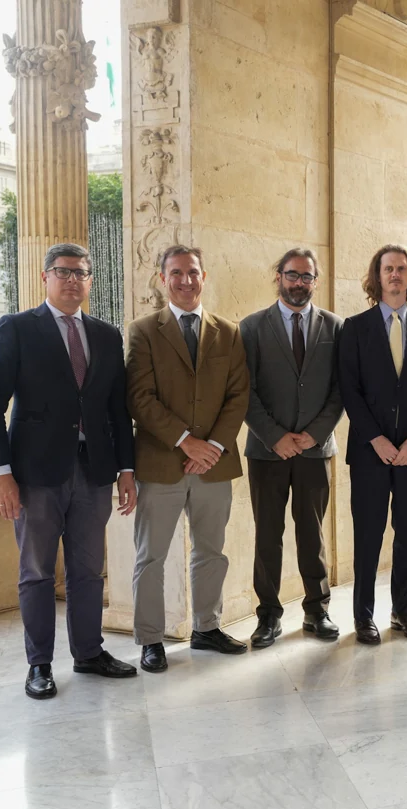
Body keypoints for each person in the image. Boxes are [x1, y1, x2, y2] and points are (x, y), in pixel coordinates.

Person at [0, 243, 138, 699]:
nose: (72, 279)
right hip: (33, 474)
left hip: (94, 473)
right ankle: (39, 665)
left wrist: (127, 468)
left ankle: (89, 653)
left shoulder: (107, 335)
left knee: (88, 571)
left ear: (91, 281)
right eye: (63, 271)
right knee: (36, 572)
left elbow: (118, 409)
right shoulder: (16, 328)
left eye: (81, 272)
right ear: (44, 277)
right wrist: (0, 472)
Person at [128, 245, 251, 672]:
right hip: (162, 462)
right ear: (163, 279)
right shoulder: (143, 330)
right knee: (151, 556)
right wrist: (185, 441)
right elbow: (139, 398)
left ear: (204, 276)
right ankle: (150, 639)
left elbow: (239, 396)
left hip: (215, 464)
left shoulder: (228, 331)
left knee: (211, 551)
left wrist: (212, 446)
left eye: (193, 272)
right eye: (176, 273)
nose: (185, 280)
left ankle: (206, 627)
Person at [338, 244, 407, 644]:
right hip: (369, 453)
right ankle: (364, 617)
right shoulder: (355, 327)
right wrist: (377, 439)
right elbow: (350, 391)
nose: (395, 275)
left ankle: (403, 612)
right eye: (388, 269)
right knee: (368, 535)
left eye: (401, 269)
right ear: (377, 277)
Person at [240, 249, 345, 649]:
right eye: (292, 275)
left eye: (307, 276)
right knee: (268, 534)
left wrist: (313, 434)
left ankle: (317, 610)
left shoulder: (336, 327)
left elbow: (340, 391)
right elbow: (243, 391)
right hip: (268, 452)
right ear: (278, 276)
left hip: (315, 451)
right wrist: (275, 436)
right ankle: (268, 616)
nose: (299, 282)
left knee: (312, 534)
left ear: (315, 281)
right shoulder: (251, 327)